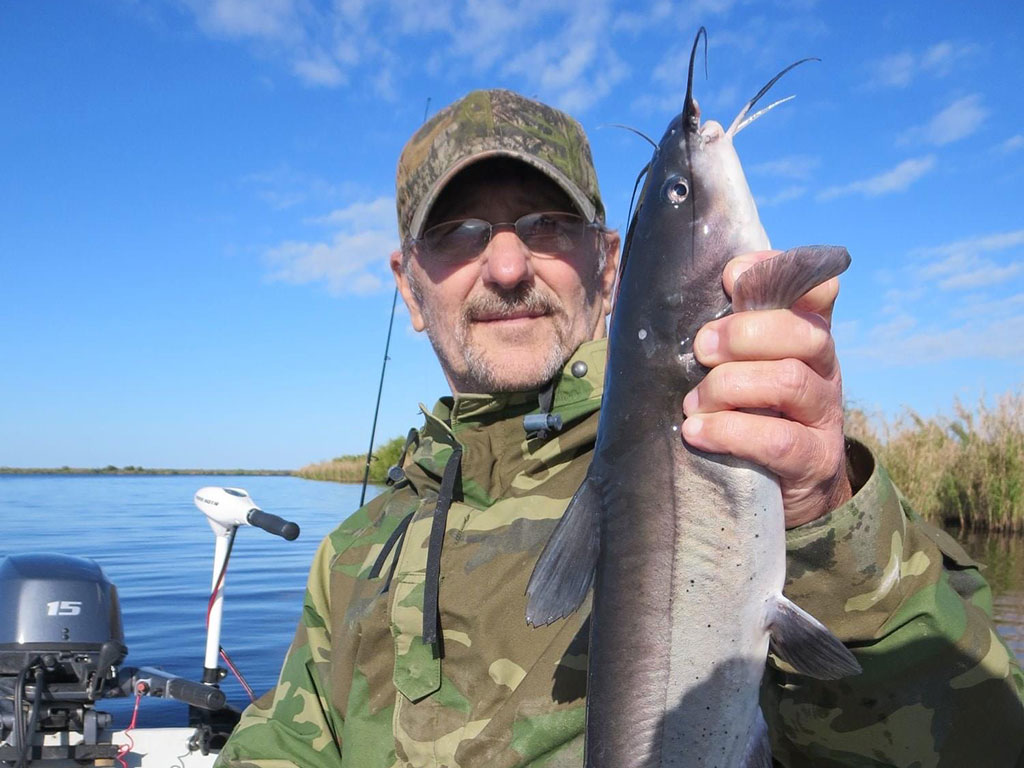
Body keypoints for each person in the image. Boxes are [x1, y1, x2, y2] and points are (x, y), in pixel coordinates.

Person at [215, 89, 1024, 767]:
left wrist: (822, 518)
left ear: (610, 265)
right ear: (408, 286)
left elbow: (983, 738)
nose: (505, 267)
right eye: (458, 233)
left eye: (545, 223)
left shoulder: (779, 471)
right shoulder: (352, 556)